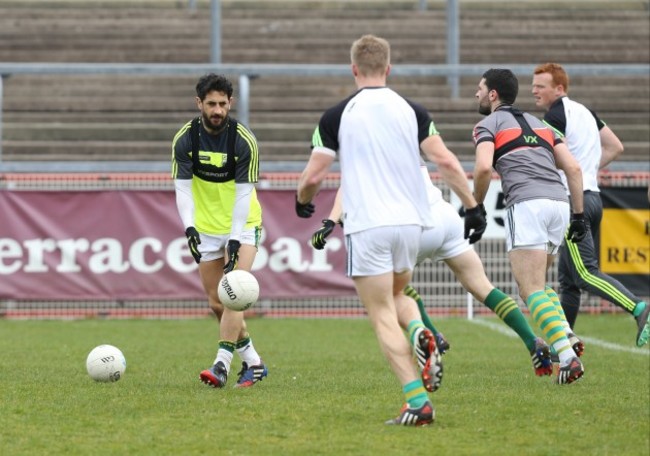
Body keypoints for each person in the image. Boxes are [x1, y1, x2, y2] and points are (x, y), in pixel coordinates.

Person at [296, 35, 486, 426]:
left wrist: (303, 200)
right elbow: (447, 161)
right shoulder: (411, 109)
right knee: (398, 294)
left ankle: (417, 402)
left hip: (368, 226)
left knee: (381, 312)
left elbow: (315, 173)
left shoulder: (337, 114)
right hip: (411, 224)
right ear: (389, 68)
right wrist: (473, 206)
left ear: (353, 69)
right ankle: (419, 330)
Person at [312, 162, 556, 382]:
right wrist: (473, 207)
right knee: (484, 287)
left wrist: (331, 221)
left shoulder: (366, 143)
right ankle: (531, 340)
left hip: (413, 226)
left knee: (392, 287)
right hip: (445, 217)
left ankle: (431, 334)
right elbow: (446, 161)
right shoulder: (409, 133)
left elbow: (348, 187)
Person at [472, 68, 588, 385]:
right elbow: (574, 168)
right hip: (559, 204)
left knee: (529, 289)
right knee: (538, 284)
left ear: (493, 94)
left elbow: (483, 167)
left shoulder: (487, 124)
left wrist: (476, 206)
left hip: (527, 204)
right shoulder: (543, 125)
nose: (477, 94)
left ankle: (567, 356)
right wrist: (578, 215)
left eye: (480, 88)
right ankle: (566, 332)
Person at [532, 62, 649, 348]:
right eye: (533, 86)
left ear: (559, 89)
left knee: (585, 273)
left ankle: (639, 308)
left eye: (540, 86)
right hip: (593, 196)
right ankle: (565, 346)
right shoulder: (585, 111)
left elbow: (547, 156)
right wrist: (589, 171)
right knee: (569, 282)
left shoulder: (555, 115)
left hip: (575, 200)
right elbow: (615, 146)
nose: (534, 91)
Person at [172, 73, 268, 388]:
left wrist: (237, 238)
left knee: (234, 296)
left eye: (223, 104)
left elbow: (243, 194)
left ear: (231, 104)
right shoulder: (186, 138)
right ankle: (253, 362)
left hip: (244, 224)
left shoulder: (243, 140)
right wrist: (189, 226)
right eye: (211, 103)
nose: (217, 110)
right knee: (217, 302)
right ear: (199, 103)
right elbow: (183, 188)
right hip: (207, 228)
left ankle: (221, 365)